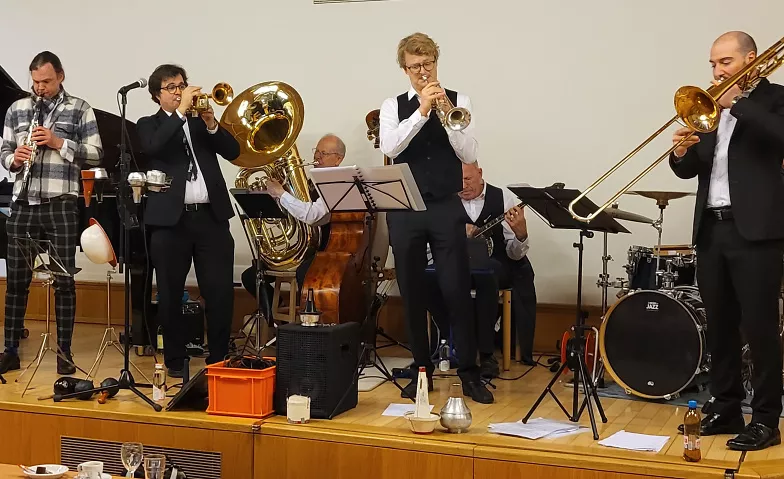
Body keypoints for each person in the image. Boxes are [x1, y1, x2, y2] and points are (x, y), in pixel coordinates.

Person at [670, 31, 784, 451]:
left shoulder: (773, 99)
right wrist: (681, 154)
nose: (717, 72)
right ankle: (727, 406)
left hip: (756, 230)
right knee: (719, 326)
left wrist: (739, 102)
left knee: (760, 328)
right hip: (712, 228)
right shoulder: (710, 110)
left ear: (751, 60)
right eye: (713, 64)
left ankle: (767, 419)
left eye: (726, 63)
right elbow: (695, 169)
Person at [379, 32, 492, 403]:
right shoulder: (393, 106)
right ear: (404, 69)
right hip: (406, 208)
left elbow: (469, 150)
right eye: (415, 67)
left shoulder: (459, 101)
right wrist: (422, 111)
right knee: (411, 292)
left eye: (427, 65)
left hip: (445, 205)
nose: (422, 72)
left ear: (436, 63)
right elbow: (391, 147)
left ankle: (470, 373)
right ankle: (421, 370)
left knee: (457, 288)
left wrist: (445, 114)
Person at [0, 51, 103, 375]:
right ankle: (11, 350)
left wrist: (60, 142)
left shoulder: (79, 108)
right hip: (23, 202)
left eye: (45, 81)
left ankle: (65, 354)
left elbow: (97, 153)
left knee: (64, 282)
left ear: (60, 76)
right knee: (16, 282)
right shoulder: (17, 109)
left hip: (61, 202)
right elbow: (4, 151)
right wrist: (14, 159)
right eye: (35, 82)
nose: (40, 87)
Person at [137, 64, 240, 378]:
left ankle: (219, 358)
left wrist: (211, 125)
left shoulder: (199, 123)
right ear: (157, 95)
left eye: (182, 85)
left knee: (220, 291)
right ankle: (175, 360)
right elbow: (152, 148)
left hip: (211, 218)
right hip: (170, 222)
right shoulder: (147, 124)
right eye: (171, 87)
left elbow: (233, 150)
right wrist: (179, 114)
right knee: (169, 293)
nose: (180, 91)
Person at [427, 162, 536, 378]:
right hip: (455, 264)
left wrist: (521, 234)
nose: (462, 186)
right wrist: (455, 234)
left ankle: (486, 354)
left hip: (494, 265)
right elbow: (430, 247)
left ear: (480, 174)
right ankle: (446, 345)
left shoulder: (502, 198)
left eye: (467, 179)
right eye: (457, 181)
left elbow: (515, 254)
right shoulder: (445, 201)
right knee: (430, 277)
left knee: (487, 273)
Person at [240, 134, 345, 307]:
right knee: (251, 276)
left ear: (338, 159)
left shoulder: (337, 183)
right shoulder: (310, 183)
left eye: (324, 153)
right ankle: (277, 315)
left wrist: (282, 194)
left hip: (324, 251)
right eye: (316, 151)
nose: (317, 157)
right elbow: (294, 212)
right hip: (305, 250)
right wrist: (276, 196)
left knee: (304, 273)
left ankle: (304, 324)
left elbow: (313, 216)